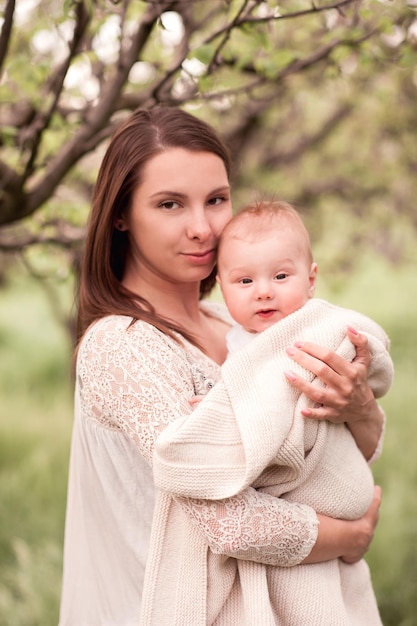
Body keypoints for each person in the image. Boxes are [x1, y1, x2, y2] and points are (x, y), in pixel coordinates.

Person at [59, 106, 387, 626]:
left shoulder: (244, 329)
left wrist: (360, 404)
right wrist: (351, 536)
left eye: (216, 200)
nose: (202, 228)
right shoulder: (122, 346)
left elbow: (328, 461)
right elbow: (231, 524)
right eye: (170, 204)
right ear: (120, 215)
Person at [164, 198, 393, 623]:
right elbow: (245, 397)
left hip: (326, 484)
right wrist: (219, 411)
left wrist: (227, 415)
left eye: (281, 276)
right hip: (292, 523)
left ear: (311, 279)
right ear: (221, 285)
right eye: (245, 280)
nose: (264, 290)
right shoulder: (237, 342)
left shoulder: (311, 331)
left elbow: (282, 400)